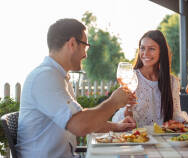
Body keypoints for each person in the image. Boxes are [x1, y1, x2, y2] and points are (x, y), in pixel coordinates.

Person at [16, 18, 136, 158]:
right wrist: (113, 102)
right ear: (72, 43)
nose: (85, 54)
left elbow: (83, 120)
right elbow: (80, 126)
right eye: (85, 46)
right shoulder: (44, 77)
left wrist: (117, 127)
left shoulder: (59, 77)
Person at [112, 30, 188, 127]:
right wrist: (127, 110)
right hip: (138, 139)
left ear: (161, 52)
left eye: (152, 49)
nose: (145, 53)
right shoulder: (129, 79)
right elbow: (119, 120)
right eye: (142, 48)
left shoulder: (172, 81)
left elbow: (175, 115)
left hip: (164, 140)